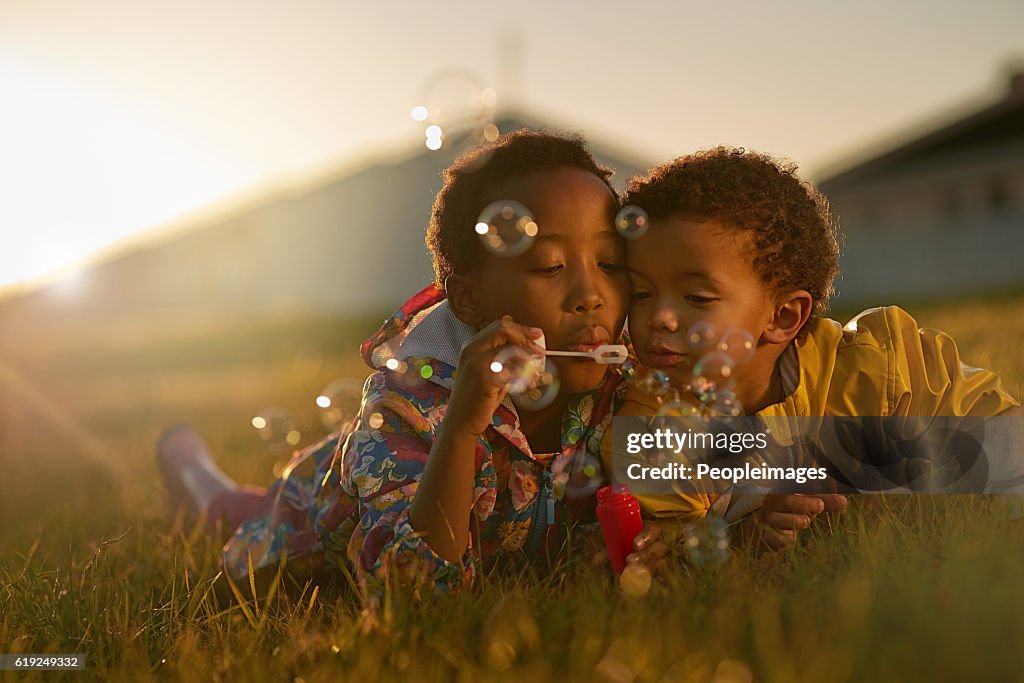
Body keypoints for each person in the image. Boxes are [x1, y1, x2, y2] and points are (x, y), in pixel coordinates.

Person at [159, 129, 669, 595]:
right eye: (549, 266)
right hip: (303, 524)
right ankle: (189, 465)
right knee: (229, 510)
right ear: (469, 300)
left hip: (356, 460)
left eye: (610, 264)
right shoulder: (407, 408)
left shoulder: (623, 395)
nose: (590, 295)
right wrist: (462, 429)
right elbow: (411, 590)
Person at [603, 146, 1022, 551]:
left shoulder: (881, 369)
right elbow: (668, 553)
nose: (659, 317)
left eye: (696, 297)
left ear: (783, 317)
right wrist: (743, 541)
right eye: (641, 293)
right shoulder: (651, 429)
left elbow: (1009, 443)